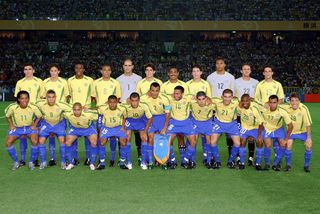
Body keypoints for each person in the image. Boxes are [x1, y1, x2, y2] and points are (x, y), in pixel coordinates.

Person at [14, 63, 44, 166]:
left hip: (36, 113)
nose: (27, 71)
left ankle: (35, 159)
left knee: (36, 137)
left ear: (33, 71)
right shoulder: (19, 82)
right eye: (25, 69)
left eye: (29, 69)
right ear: (23, 71)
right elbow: (17, 99)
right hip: (24, 113)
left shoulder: (39, 81)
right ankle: (22, 159)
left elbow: (42, 97)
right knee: (23, 136)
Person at [206, 57, 236, 160]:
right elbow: (208, 93)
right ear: (215, 65)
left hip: (228, 106)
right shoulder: (210, 77)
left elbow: (233, 93)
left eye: (221, 63)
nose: (219, 65)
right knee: (214, 133)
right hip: (215, 107)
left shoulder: (230, 77)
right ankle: (213, 157)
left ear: (224, 65)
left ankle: (231, 155)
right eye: (217, 63)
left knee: (229, 134)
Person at [92, 64, 121, 167]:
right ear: (101, 71)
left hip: (112, 112)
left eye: (108, 70)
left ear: (111, 71)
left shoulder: (115, 83)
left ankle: (112, 159)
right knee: (101, 136)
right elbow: (94, 98)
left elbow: (118, 99)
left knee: (113, 135)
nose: (106, 72)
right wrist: (100, 107)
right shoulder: (96, 83)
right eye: (104, 70)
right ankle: (101, 159)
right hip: (101, 113)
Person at [254, 66, 284, 164]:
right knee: (265, 141)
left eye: (269, 71)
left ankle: (277, 161)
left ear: (272, 73)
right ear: (263, 73)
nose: (267, 73)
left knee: (278, 140)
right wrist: (264, 105)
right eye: (265, 71)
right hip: (264, 115)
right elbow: (256, 99)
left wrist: (273, 106)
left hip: (276, 115)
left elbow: (281, 99)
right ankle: (263, 161)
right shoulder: (259, 85)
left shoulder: (278, 84)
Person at [5, 91, 42, 170]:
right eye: (22, 98)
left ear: (28, 99)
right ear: (18, 99)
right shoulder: (12, 107)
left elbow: (39, 116)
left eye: (26, 98)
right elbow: (7, 116)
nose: (24, 100)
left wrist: (34, 125)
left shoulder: (33, 107)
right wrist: (11, 125)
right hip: (17, 128)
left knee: (35, 141)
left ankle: (31, 162)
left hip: (29, 128)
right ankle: (16, 162)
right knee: (8, 142)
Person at [67, 63, 94, 166]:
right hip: (73, 110)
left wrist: (88, 107)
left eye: (81, 68)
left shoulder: (90, 80)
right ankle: (75, 158)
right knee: (73, 135)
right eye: (77, 68)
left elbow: (93, 96)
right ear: (75, 69)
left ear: (84, 69)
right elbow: (69, 96)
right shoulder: (70, 80)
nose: (79, 69)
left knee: (88, 136)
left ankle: (88, 158)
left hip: (85, 111)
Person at [36, 90, 71, 170]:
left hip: (58, 124)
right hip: (46, 124)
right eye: (49, 97)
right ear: (46, 98)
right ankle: (43, 162)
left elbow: (73, 108)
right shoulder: (40, 104)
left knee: (62, 140)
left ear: (55, 97)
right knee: (41, 141)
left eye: (53, 97)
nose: (51, 99)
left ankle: (63, 162)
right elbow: (32, 106)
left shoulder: (62, 104)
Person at [161, 66, 189, 165]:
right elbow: (163, 98)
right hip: (169, 116)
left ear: (178, 73)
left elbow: (186, 99)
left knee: (181, 137)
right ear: (168, 73)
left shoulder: (184, 84)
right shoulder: (164, 85)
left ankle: (183, 160)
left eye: (175, 72)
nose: (173, 74)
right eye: (171, 72)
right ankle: (171, 160)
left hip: (181, 117)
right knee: (169, 138)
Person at [117, 59, 143, 164]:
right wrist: (124, 102)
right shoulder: (118, 79)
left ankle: (140, 155)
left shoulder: (138, 78)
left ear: (132, 66)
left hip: (136, 108)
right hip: (124, 109)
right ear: (123, 66)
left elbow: (140, 93)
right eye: (125, 65)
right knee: (123, 134)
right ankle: (121, 157)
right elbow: (118, 96)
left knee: (138, 133)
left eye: (129, 65)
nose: (127, 67)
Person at [43, 64, 70, 166]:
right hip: (49, 113)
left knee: (62, 137)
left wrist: (62, 108)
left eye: (55, 71)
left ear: (59, 71)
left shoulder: (63, 82)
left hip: (60, 113)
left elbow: (67, 97)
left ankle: (65, 158)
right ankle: (52, 158)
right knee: (51, 135)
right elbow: (43, 96)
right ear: (49, 72)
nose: (53, 72)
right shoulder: (45, 82)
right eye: (51, 71)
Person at [165, 86, 197, 169]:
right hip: (174, 123)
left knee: (193, 142)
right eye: (174, 93)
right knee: (167, 142)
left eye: (177, 93)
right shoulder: (169, 99)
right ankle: (172, 161)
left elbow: (201, 97)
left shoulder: (188, 98)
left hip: (186, 123)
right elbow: (167, 113)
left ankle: (185, 161)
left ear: (182, 94)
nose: (175, 95)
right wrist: (165, 127)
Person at [258, 95, 293, 171]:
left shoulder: (282, 111)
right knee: (268, 145)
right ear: (268, 103)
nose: (272, 104)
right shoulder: (264, 110)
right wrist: (259, 135)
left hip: (278, 129)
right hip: (267, 129)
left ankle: (275, 163)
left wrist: (286, 139)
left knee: (283, 144)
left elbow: (290, 126)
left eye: (274, 102)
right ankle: (267, 164)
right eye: (270, 102)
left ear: (277, 103)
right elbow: (260, 123)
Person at [140, 82, 170, 169]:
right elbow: (133, 100)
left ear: (159, 91)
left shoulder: (164, 98)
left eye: (156, 91)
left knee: (163, 139)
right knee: (150, 139)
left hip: (161, 118)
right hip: (150, 119)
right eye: (152, 90)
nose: (154, 93)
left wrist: (164, 127)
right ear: (150, 91)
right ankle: (150, 162)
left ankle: (163, 161)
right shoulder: (144, 98)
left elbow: (168, 114)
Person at [186, 65, 212, 162]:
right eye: (194, 71)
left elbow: (209, 98)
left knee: (205, 137)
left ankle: (206, 158)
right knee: (192, 137)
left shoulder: (205, 84)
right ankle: (191, 159)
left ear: (201, 72)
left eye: (198, 71)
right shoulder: (187, 84)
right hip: (191, 113)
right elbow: (186, 99)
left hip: (203, 114)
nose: (196, 73)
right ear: (192, 73)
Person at [281, 93, 312, 172]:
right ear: (289, 102)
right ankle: (288, 165)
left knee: (308, 146)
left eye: (297, 100)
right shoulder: (286, 107)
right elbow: (275, 105)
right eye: (292, 101)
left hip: (303, 132)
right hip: (291, 132)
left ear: (300, 101)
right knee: (288, 145)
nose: (295, 102)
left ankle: (306, 165)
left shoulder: (304, 108)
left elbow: (308, 124)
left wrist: (308, 138)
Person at [235, 64, 259, 166]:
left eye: (248, 69)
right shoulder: (236, 81)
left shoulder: (256, 82)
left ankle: (250, 157)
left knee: (251, 137)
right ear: (241, 71)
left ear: (250, 70)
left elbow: (257, 98)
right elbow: (234, 96)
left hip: (251, 112)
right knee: (241, 136)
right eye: (244, 69)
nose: (246, 70)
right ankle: (239, 156)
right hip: (240, 113)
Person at [210, 89, 240, 169]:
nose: (227, 99)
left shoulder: (236, 103)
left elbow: (246, 102)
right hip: (218, 123)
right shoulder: (216, 102)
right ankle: (217, 161)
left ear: (232, 97)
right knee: (212, 142)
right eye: (225, 97)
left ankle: (230, 161)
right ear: (222, 97)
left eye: (229, 97)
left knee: (237, 143)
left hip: (231, 124)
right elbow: (207, 100)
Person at [97, 95, 129, 170]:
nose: (112, 104)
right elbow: (99, 117)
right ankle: (102, 163)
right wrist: (100, 128)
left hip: (118, 128)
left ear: (117, 102)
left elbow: (125, 117)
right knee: (102, 143)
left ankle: (122, 163)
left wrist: (123, 127)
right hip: (106, 128)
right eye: (110, 102)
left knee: (123, 142)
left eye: (114, 102)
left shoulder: (122, 108)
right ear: (108, 102)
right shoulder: (102, 108)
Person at [64, 103, 98, 171]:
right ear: (72, 109)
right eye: (75, 110)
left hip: (87, 128)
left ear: (82, 109)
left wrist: (89, 109)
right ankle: (71, 163)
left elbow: (99, 111)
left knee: (94, 143)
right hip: (75, 129)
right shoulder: (67, 114)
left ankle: (92, 163)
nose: (76, 112)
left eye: (78, 110)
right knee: (67, 143)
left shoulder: (88, 114)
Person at [123, 92, 153, 170]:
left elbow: (150, 118)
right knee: (127, 138)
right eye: (132, 101)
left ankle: (143, 162)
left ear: (139, 100)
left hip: (140, 120)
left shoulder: (144, 106)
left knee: (144, 138)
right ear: (130, 100)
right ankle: (129, 162)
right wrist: (123, 128)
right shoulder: (125, 106)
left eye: (136, 100)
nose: (134, 102)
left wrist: (146, 130)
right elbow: (123, 118)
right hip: (130, 120)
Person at [237, 94, 263, 170]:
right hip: (245, 128)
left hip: (255, 128)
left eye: (247, 101)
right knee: (242, 142)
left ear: (250, 100)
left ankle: (258, 163)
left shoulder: (254, 109)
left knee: (260, 142)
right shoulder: (240, 107)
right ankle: (242, 163)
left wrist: (259, 135)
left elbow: (261, 123)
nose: (245, 102)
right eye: (243, 101)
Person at [190, 91, 214, 167]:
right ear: (196, 99)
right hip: (196, 123)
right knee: (193, 142)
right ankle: (192, 160)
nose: (201, 101)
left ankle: (209, 159)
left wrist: (210, 99)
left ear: (206, 99)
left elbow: (221, 101)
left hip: (207, 123)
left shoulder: (211, 105)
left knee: (208, 141)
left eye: (203, 99)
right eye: (199, 99)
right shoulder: (192, 103)